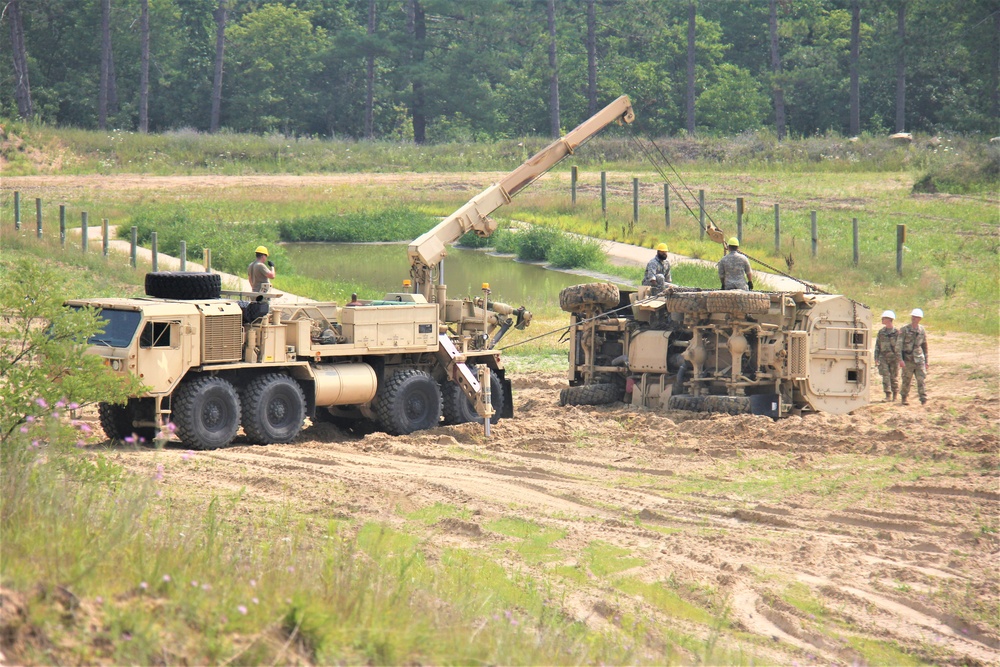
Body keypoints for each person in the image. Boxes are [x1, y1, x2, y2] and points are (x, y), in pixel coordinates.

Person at [895, 308, 928, 405]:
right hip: (908, 359)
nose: (914, 319)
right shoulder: (904, 330)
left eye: (916, 317)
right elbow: (898, 346)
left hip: (919, 359)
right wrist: (900, 360)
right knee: (906, 380)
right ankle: (904, 397)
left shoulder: (921, 330)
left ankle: (923, 399)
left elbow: (924, 345)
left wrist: (926, 361)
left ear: (920, 319)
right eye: (913, 317)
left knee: (921, 379)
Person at [873, 310, 900, 401]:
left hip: (894, 358)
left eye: (883, 318)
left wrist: (900, 359)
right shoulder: (881, 332)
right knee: (885, 376)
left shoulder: (897, 333)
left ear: (889, 319)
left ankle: (895, 395)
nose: (882, 320)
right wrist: (876, 357)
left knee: (894, 377)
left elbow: (900, 346)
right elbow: (877, 345)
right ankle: (888, 395)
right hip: (883, 357)